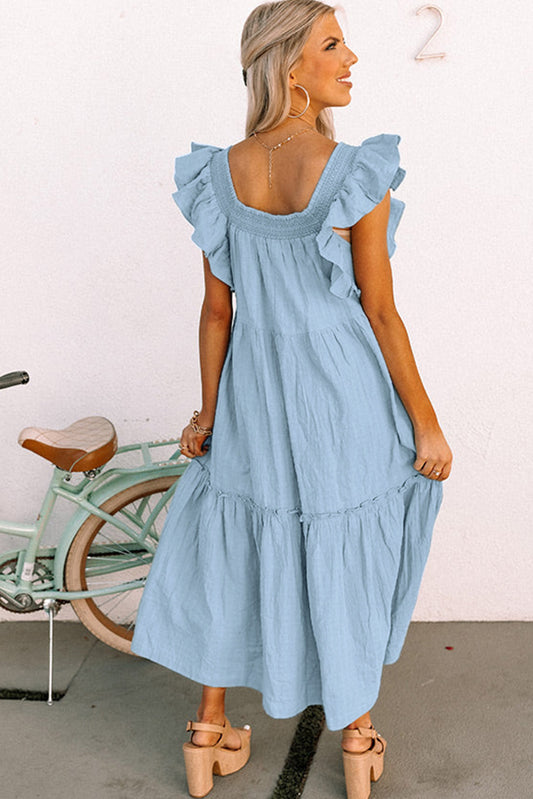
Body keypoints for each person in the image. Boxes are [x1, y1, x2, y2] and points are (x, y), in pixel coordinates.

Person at [131, 1, 453, 797]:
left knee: (232, 546)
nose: (351, 59)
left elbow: (217, 312)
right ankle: (357, 739)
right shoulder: (352, 173)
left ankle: (207, 732)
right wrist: (426, 422)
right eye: (332, 44)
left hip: (254, 393)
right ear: (287, 65)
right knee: (343, 547)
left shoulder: (218, 175)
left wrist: (210, 413)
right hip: (341, 395)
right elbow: (380, 313)